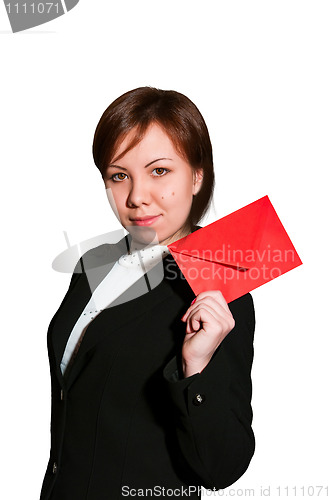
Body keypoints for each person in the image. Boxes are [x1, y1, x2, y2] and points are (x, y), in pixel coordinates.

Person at [40, 87, 255, 500]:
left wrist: (197, 365)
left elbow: (221, 467)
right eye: (119, 175)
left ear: (197, 175)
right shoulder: (95, 261)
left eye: (159, 171)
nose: (136, 197)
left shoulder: (218, 282)